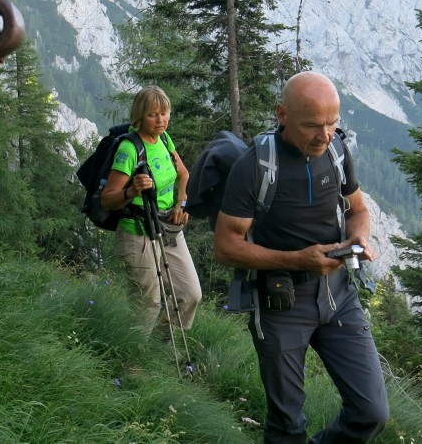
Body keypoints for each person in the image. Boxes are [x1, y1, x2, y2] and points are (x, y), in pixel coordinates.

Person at [214, 71, 390, 444]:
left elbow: (357, 208)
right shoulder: (256, 166)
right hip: (281, 303)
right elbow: (226, 246)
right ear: (282, 114)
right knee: (287, 426)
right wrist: (299, 259)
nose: (324, 135)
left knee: (371, 413)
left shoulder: (337, 152)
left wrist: (358, 237)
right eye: (312, 125)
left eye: (332, 123)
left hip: (340, 296)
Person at [101, 85, 202, 332]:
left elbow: (184, 175)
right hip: (137, 232)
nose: (161, 120)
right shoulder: (129, 149)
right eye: (153, 114)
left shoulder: (165, 140)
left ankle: (159, 348)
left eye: (164, 113)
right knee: (148, 304)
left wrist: (182, 204)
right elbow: (107, 199)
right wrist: (130, 191)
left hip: (168, 227)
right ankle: (134, 363)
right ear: (140, 116)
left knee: (190, 295)